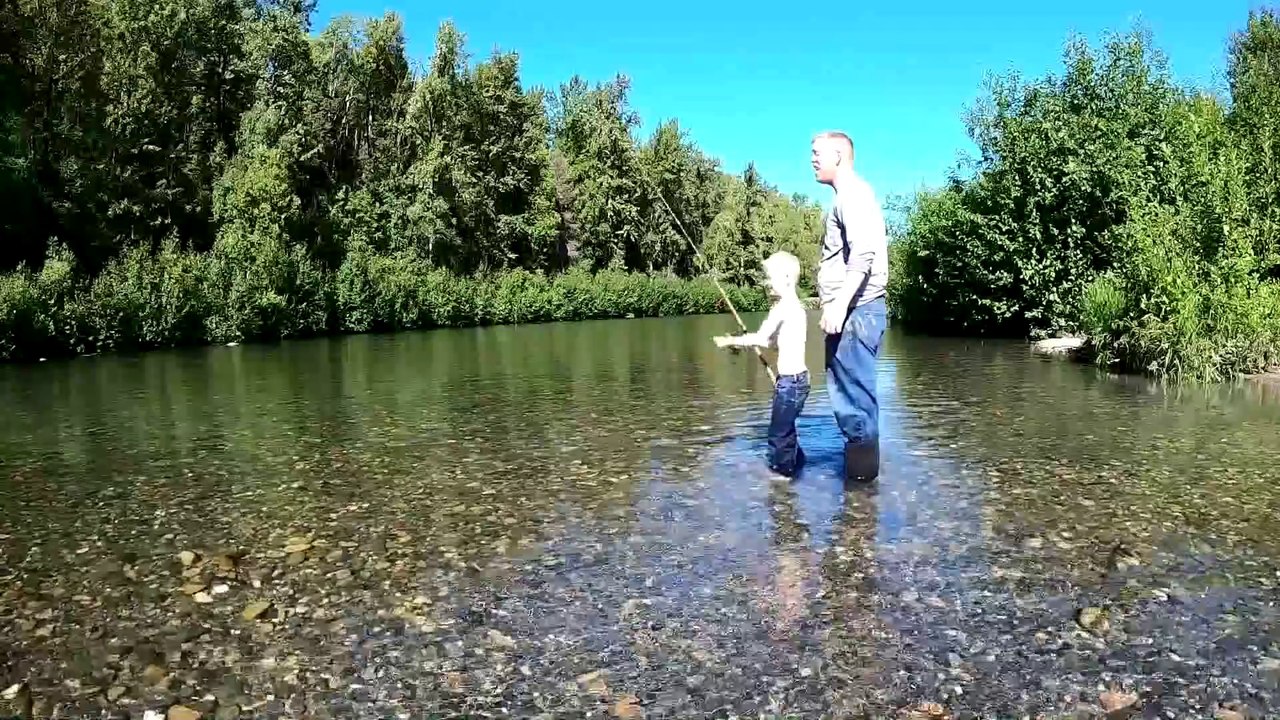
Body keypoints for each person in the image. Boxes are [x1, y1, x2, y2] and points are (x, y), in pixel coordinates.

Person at [810, 130, 889, 481]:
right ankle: (862, 502)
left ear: (838, 156)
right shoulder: (851, 195)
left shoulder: (853, 194)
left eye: (817, 153)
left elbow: (864, 255)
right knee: (853, 400)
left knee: (854, 404)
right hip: (858, 313)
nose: (812, 159)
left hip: (857, 313)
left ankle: (860, 493)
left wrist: (840, 304)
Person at [713, 251, 810, 477]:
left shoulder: (782, 308)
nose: (767, 282)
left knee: (778, 436)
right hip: (800, 381)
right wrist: (743, 344)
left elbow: (760, 338)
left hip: (790, 384)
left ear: (786, 278)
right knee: (786, 430)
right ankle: (800, 467)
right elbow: (773, 342)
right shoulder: (798, 308)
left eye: (770, 277)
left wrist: (731, 341)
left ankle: (783, 480)